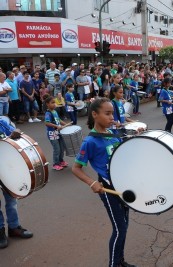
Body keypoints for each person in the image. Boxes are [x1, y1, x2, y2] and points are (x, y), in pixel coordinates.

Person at [72, 98, 136, 267]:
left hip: (122, 186)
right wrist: (92, 183)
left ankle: (120, 261)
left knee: (125, 226)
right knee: (119, 229)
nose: (111, 117)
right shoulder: (90, 141)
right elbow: (76, 168)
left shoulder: (112, 134)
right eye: (107, 114)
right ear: (95, 114)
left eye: (112, 114)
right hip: (108, 189)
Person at [0, 118, 33, 249]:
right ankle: (0, 231)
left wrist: (16, 132)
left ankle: (14, 227)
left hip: (6, 168)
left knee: (11, 200)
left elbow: (15, 131)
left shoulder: (1, 122)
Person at [43, 95, 69, 171]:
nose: (54, 104)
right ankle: (55, 164)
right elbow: (46, 123)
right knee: (57, 149)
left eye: (55, 102)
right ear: (47, 104)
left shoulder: (55, 111)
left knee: (61, 147)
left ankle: (61, 161)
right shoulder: (48, 113)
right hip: (52, 133)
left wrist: (66, 124)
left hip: (58, 132)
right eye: (52, 103)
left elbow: (59, 120)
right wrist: (56, 126)